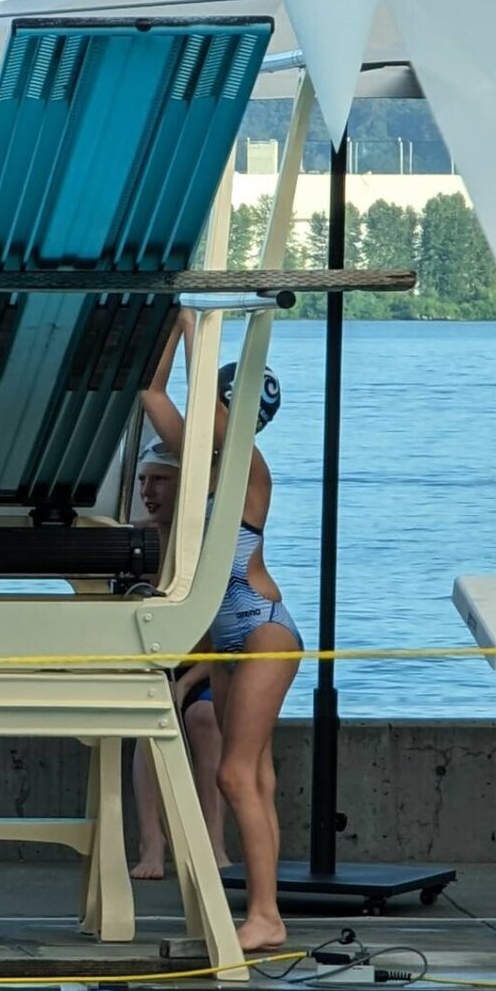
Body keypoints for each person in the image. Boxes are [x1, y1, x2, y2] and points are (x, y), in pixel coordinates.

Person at [142, 313, 301, 954]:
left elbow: (201, 409)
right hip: (225, 640)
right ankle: (265, 912)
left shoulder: (249, 470)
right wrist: (178, 327)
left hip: (262, 629)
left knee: (236, 775)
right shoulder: (197, 470)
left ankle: (265, 913)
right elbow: (152, 397)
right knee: (253, 778)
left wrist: (197, 341)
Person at [126, 445, 228, 882]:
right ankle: (153, 842)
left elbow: (226, 639)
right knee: (154, 716)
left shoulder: (212, 546)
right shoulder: (134, 539)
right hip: (155, 666)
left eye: (160, 480)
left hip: (205, 665)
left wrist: (186, 685)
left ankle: (212, 842)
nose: (149, 490)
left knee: (204, 717)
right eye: (143, 480)